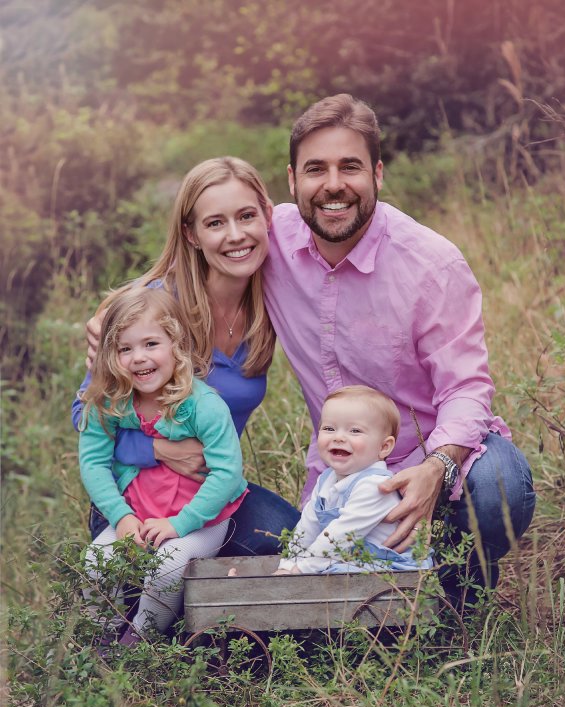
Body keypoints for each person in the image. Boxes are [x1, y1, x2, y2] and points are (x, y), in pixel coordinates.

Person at [263, 93, 535, 599]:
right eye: (316, 169)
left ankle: (457, 593)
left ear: (378, 174)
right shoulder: (268, 238)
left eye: (350, 167)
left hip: (436, 456)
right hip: (342, 468)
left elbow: (466, 388)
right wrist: (122, 312)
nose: (334, 184)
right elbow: (196, 243)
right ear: (292, 180)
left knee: (500, 487)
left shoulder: (431, 263)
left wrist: (436, 468)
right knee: (276, 548)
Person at [75, 157, 300, 554]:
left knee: (291, 539)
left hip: (208, 493)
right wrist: (157, 449)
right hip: (135, 493)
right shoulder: (153, 310)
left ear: (267, 216)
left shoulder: (273, 301)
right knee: (149, 579)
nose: (235, 235)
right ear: (191, 234)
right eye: (215, 223)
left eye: (246, 216)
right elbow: (85, 414)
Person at [79, 285, 249, 651]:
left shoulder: (204, 405)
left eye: (151, 344)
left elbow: (227, 473)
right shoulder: (109, 403)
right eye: (125, 349)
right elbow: (93, 462)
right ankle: (103, 635)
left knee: (168, 565)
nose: (139, 358)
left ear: (177, 345)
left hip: (201, 517)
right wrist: (121, 517)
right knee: (95, 560)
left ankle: (143, 639)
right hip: (138, 512)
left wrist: (179, 524)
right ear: (110, 355)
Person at [274, 386, 433, 574]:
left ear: (384, 447)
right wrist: (287, 564)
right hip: (347, 558)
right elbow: (307, 528)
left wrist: (300, 570)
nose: (339, 437)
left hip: (391, 566)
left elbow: (339, 536)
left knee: (328, 572)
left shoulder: (375, 486)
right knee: (327, 569)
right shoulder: (326, 479)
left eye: (355, 431)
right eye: (329, 428)